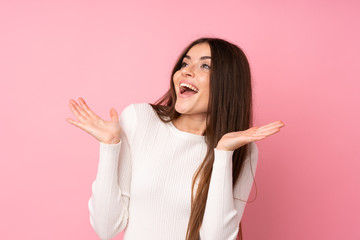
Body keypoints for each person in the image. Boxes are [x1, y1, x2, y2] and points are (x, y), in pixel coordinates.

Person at [66, 37, 285, 240]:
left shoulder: (242, 150)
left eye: (205, 66)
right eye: (184, 64)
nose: (186, 72)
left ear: (228, 83)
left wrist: (224, 153)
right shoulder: (139, 120)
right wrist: (109, 147)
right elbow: (106, 228)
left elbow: (216, 237)